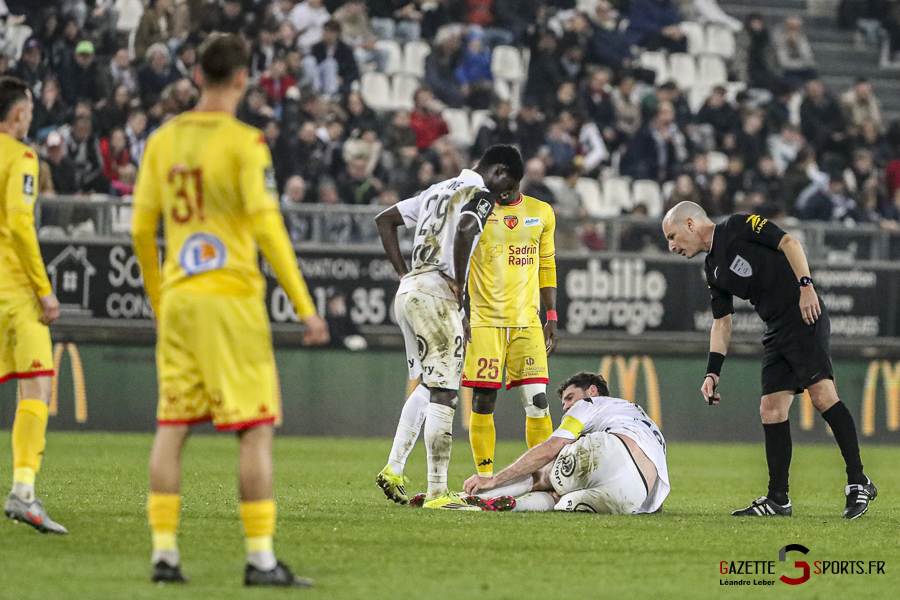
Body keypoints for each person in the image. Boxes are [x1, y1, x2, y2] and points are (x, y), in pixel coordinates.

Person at [131, 34, 329, 587]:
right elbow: (267, 226)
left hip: (179, 299)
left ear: (197, 75)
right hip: (231, 299)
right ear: (243, 78)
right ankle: (261, 561)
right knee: (255, 429)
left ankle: (164, 556)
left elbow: (140, 230)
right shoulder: (246, 143)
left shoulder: (161, 141)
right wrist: (305, 307)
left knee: (172, 426)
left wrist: (159, 298)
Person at [661, 202, 876, 519]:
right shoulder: (712, 268)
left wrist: (806, 286)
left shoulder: (737, 226)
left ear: (690, 223)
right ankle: (778, 499)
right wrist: (712, 372)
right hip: (777, 327)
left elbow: (790, 242)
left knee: (822, 396)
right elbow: (722, 322)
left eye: (672, 235)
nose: (672, 246)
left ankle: (859, 482)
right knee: (771, 409)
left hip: (804, 315)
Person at [373, 144, 523, 510]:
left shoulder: (436, 190)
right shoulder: (481, 195)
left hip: (409, 290)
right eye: (507, 190)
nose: (504, 198)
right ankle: (439, 493)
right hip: (438, 291)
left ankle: (393, 468)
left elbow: (385, 219)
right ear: (499, 172)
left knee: (428, 384)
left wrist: (401, 271)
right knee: (444, 391)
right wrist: (458, 285)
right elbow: (469, 226)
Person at [461, 371, 669, 514]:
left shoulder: (589, 403)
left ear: (592, 391)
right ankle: (512, 506)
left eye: (570, 398)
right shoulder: (644, 421)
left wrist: (495, 478)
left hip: (611, 451)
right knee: (559, 497)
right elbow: (656, 506)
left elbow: (551, 449)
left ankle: (471, 498)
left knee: (542, 473)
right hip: (632, 496)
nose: (566, 407)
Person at [0, 76, 65, 533]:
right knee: (37, 384)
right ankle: (23, 493)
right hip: (14, 293)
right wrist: (44, 289)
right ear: (18, 113)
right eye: (29, 108)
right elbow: (21, 225)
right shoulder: (22, 158)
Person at [461, 185, 558, 480]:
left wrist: (551, 315)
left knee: (538, 401)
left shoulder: (541, 211)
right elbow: (458, 262)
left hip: (526, 322)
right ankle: (485, 477)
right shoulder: (477, 211)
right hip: (484, 321)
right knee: (484, 399)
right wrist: (460, 309)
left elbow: (547, 264)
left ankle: (543, 478)